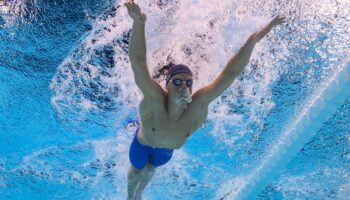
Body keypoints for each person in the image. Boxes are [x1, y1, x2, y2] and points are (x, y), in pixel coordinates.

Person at [124, 1, 286, 199]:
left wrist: (253, 40)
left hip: (165, 152)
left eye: (188, 82)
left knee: (149, 172)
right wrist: (138, 24)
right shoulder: (154, 98)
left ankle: (140, 192)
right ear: (166, 85)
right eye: (176, 81)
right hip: (143, 144)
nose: (183, 86)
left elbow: (230, 74)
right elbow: (138, 63)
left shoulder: (199, 104)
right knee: (135, 175)